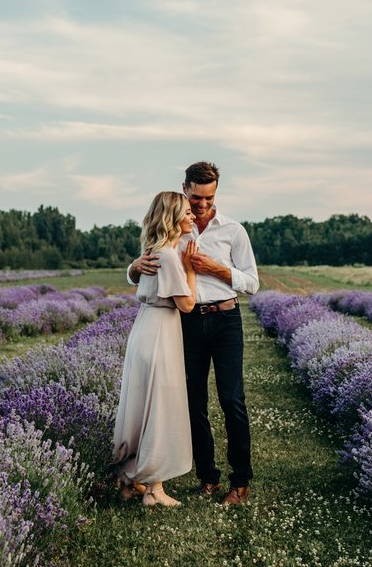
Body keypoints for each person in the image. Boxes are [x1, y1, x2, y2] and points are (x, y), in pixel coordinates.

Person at [127, 161, 259, 506]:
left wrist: (217, 269)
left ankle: (240, 481)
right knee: (193, 402)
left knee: (232, 400)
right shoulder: (176, 226)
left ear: (216, 192)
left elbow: (253, 283)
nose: (201, 205)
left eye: (209, 198)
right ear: (185, 188)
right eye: (196, 198)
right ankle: (207, 477)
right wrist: (132, 268)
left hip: (226, 319)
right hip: (184, 322)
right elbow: (150, 262)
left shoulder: (233, 230)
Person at [114, 191, 199, 508]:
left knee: (140, 406)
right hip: (161, 333)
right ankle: (154, 489)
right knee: (160, 407)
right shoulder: (169, 256)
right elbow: (187, 304)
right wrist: (190, 268)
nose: (192, 217)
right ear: (174, 217)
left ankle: (127, 479)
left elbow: (137, 278)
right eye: (187, 212)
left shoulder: (153, 251)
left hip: (145, 330)